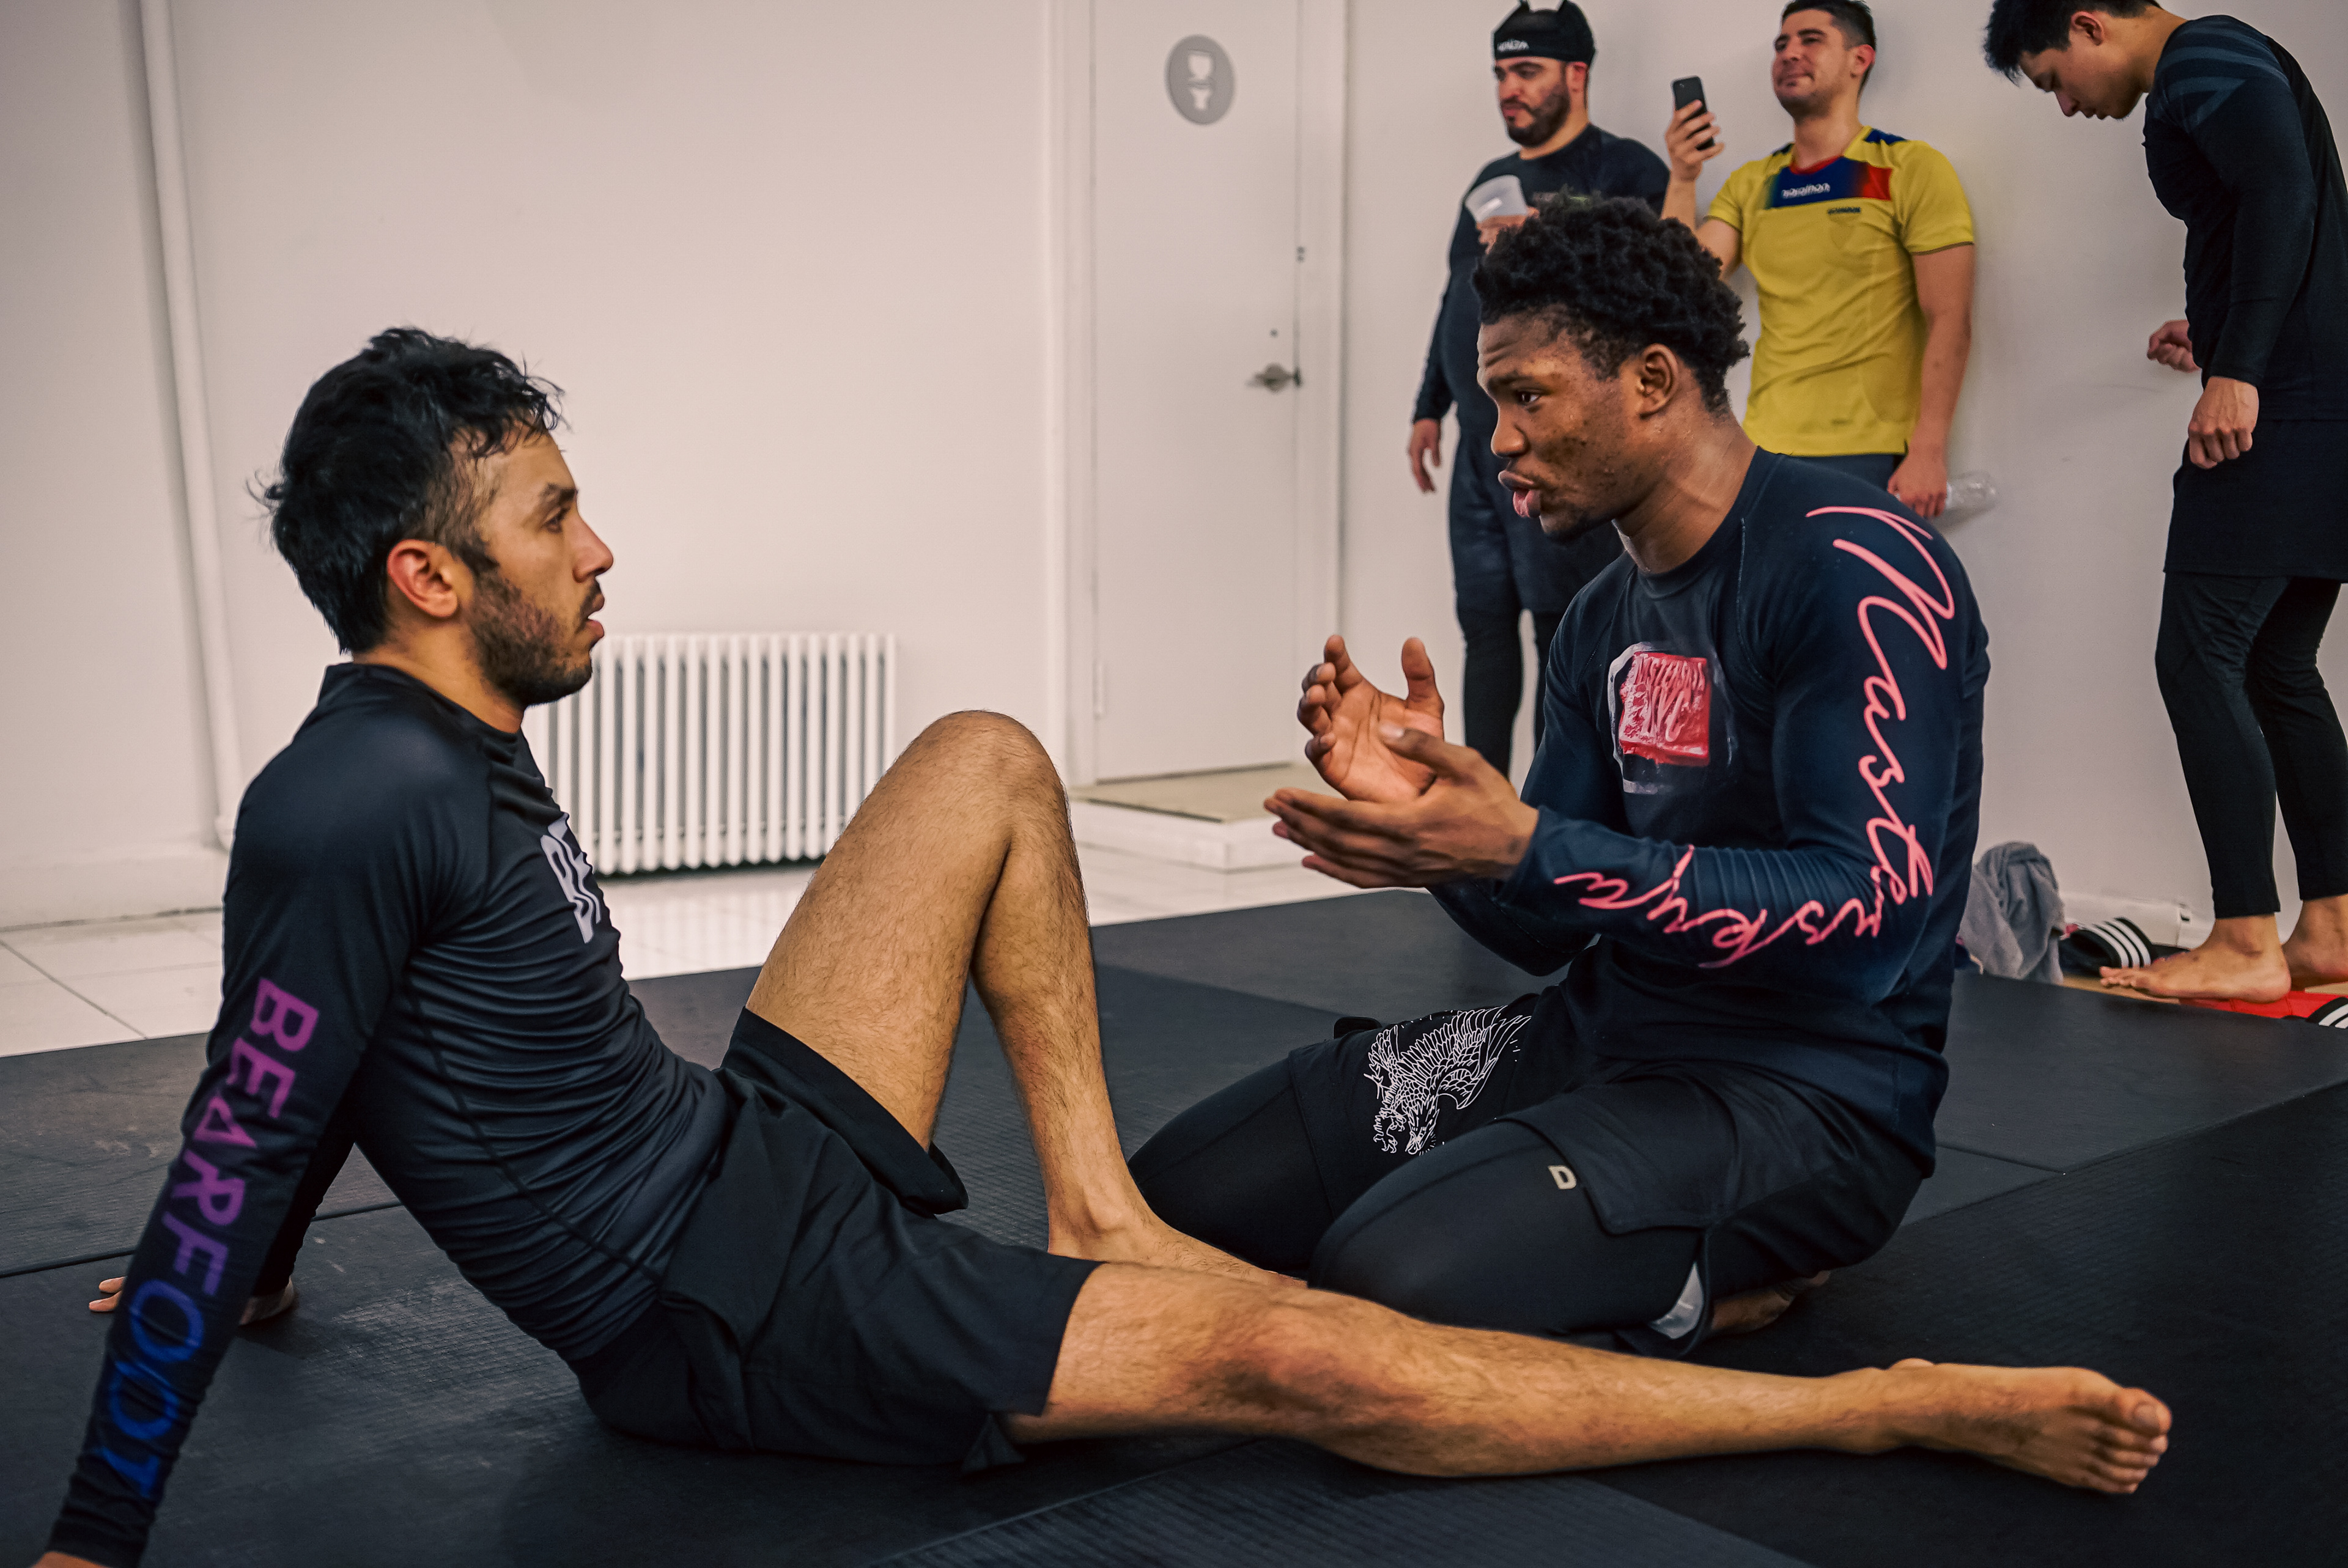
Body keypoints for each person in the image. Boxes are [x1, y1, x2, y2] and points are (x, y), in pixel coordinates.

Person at [39, 329, 2169, 1568]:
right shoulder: (357, 800)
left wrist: (283, 1257)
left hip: (742, 1153)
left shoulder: (438, 736)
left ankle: (1089, 1199)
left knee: (981, 756)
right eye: (548, 522)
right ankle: (1883, 1408)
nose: (601, 549)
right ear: (427, 576)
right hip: (734, 1315)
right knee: (1307, 1359)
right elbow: (245, 1124)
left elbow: (316, 1058)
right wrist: (93, 1533)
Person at [1138, 195, 2001, 1377]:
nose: (1497, 441)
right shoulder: (1600, 619)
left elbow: (1865, 927)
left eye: (1526, 395)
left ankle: (1695, 1292)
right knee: (1177, 1199)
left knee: (1386, 1283)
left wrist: (1527, 844)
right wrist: (1433, 825)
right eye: (1491, 402)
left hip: (1812, 1092)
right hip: (1603, 1035)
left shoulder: (1852, 564)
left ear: (1651, 379)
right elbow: (1547, 928)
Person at [1984, 1, 2348, 1003]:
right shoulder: (2214, 63)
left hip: (2285, 412)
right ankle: (2331, 928)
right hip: (2321, 411)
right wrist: (2219, 331)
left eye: (2053, 79)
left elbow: (2280, 190)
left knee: (2197, 658)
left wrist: (2241, 369)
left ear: (2089, 25)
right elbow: (2276, 206)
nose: (2066, 106)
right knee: (2276, 665)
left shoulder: (2201, 55)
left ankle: (2244, 940)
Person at [1409, 2, 1671, 778]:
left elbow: (1649, 297)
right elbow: (1456, 298)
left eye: (1526, 71)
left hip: (1559, 443)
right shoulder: (1489, 183)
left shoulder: (1626, 172)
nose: (1508, 89)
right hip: (1476, 447)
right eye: (1500, 73)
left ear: (1576, 75)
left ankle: (1555, 816)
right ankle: (1478, 810)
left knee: (1563, 629)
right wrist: (1429, 407)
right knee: (1484, 624)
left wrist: (1544, 244)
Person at [1662, 2, 1976, 516]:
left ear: (1860, 59)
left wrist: (1929, 449)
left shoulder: (1909, 168)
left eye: (1810, 40)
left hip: (1867, 452)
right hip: (1761, 449)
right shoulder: (1752, 184)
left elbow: (1950, 317)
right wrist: (1682, 177)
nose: (1789, 54)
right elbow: (1678, 289)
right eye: (1781, 45)